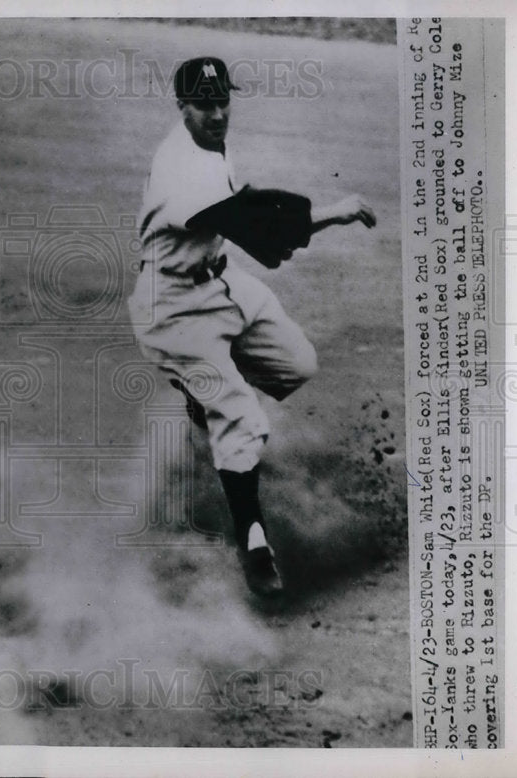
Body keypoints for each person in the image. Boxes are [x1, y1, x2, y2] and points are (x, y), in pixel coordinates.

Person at [128, 57, 376, 597]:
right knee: (240, 416)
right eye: (203, 105)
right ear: (181, 108)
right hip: (171, 308)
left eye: (223, 102)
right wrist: (333, 212)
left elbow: (246, 202)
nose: (217, 114)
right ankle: (253, 542)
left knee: (298, 362)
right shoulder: (181, 172)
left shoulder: (207, 143)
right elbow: (256, 224)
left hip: (218, 281)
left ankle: (205, 393)